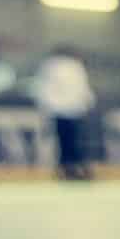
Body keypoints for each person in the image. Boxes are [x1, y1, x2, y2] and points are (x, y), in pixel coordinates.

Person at [36, 46, 95, 182]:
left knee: (66, 141)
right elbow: (82, 88)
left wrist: (47, 106)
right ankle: (73, 168)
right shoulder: (71, 67)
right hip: (71, 109)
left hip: (63, 109)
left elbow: (44, 89)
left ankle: (70, 168)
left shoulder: (52, 66)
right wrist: (87, 103)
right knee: (73, 141)